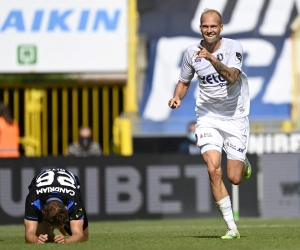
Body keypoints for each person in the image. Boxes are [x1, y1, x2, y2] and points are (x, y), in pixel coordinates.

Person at [168, 8, 252, 239]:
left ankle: (243, 162)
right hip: (207, 116)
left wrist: (212, 58)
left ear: (221, 28)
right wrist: (177, 97)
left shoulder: (233, 47)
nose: (209, 30)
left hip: (235, 116)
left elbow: (232, 77)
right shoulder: (190, 52)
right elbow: (183, 81)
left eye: (213, 26)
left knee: (234, 177)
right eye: (205, 26)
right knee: (213, 169)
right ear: (200, 29)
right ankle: (231, 227)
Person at [24, 168, 89, 243]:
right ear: (42, 211)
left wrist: (66, 241)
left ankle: (61, 225)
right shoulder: (33, 199)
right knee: (47, 239)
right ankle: (55, 227)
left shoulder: (74, 199)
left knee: (84, 238)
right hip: (40, 187)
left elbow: (79, 235)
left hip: (69, 187)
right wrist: (37, 240)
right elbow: (29, 234)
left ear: (66, 208)